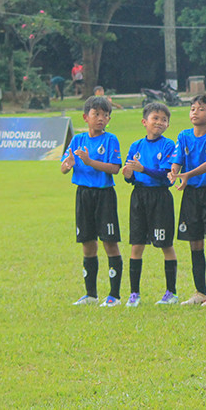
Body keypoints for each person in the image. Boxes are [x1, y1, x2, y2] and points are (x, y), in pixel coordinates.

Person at [60, 96, 123, 306]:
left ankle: (114, 295)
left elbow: (114, 168)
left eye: (106, 115)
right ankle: (91, 295)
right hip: (84, 195)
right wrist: (68, 164)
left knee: (109, 243)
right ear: (86, 117)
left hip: (104, 195)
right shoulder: (77, 140)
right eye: (96, 114)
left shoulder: (110, 140)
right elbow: (63, 167)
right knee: (87, 244)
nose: (101, 119)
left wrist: (89, 162)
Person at [170, 95, 206, 307]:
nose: (195, 112)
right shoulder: (183, 136)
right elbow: (177, 161)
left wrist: (187, 175)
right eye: (192, 108)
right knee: (194, 242)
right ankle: (200, 292)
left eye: (200, 109)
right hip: (191, 195)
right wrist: (174, 172)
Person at [122, 102, 179, 307]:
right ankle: (134, 293)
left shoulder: (168, 145)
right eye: (155, 118)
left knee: (165, 244)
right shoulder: (136, 146)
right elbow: (131, 175)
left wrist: (142, 169)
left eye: (164, 120)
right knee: (137, 244)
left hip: (160, 198)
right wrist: (128, 175)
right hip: (139, 197)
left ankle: (171, 292)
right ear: (144, 122)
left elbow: (165, 175)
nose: (160, 122)